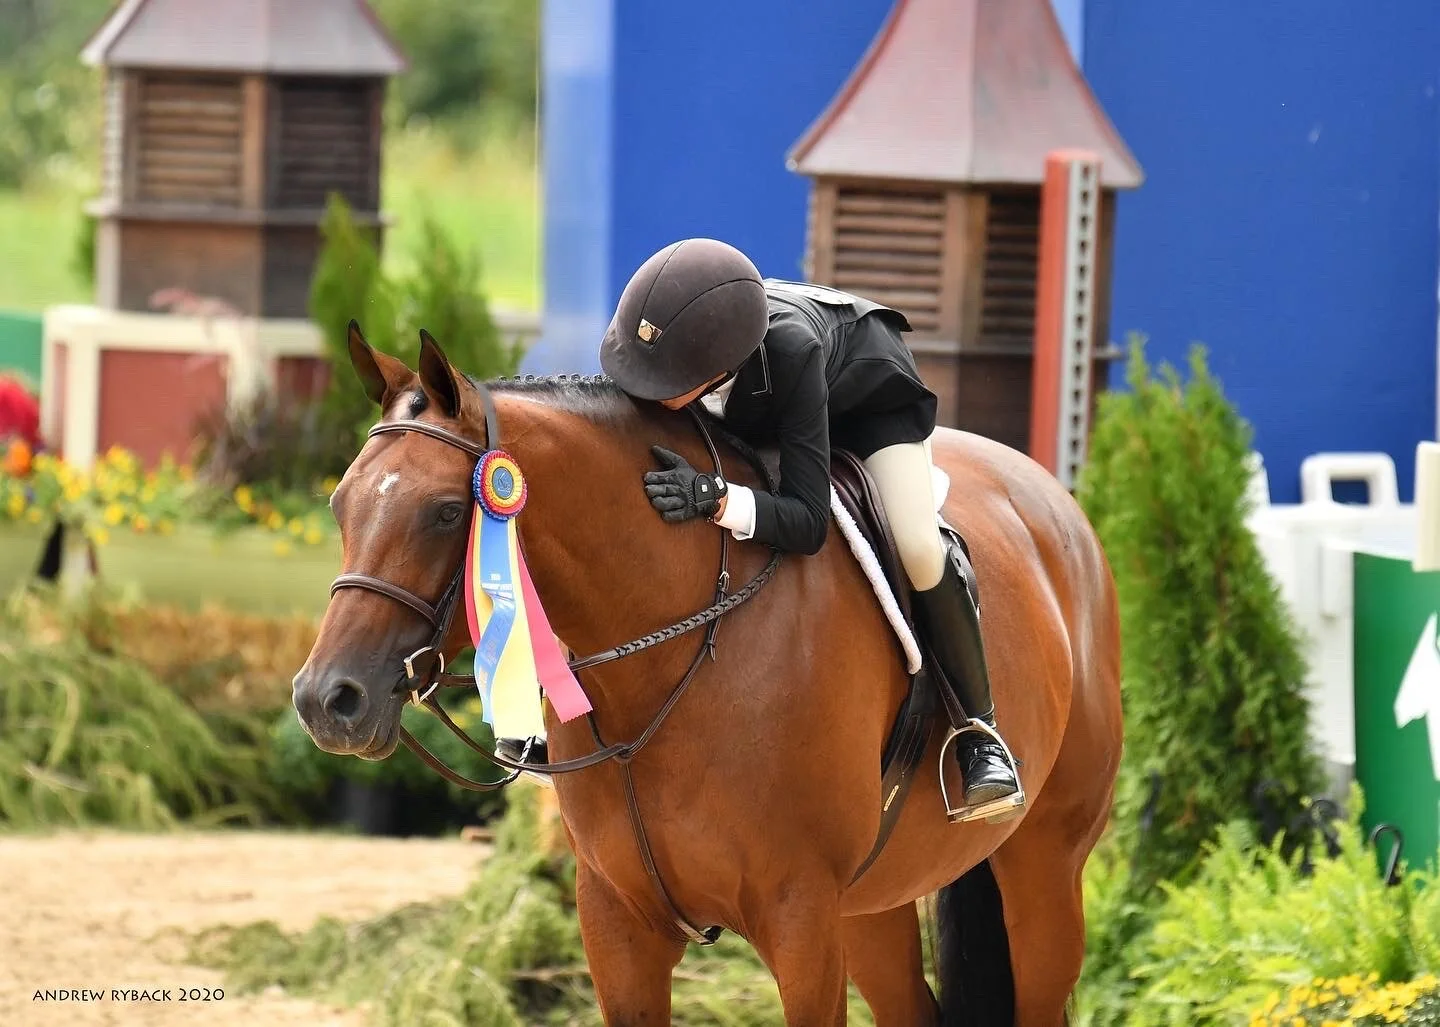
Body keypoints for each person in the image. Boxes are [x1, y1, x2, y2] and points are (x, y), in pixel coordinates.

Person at [500, 238, 1020, 822]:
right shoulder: (665, 357)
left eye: (655, 380)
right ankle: (551, 708)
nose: (640, 390)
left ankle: (979, 734)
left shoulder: (789, 352)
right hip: (759, 403)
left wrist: (718, 499)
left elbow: (806, 522)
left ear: (719, 371)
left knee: (920, 549)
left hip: (866, 403)